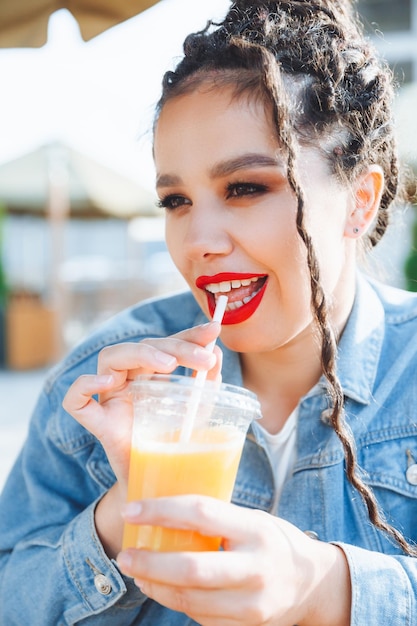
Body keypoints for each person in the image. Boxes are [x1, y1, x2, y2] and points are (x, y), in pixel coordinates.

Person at [1, 0, 417, 624]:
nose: (200, 240)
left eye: (246, 188)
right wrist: (123, 512)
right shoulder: (104, 383)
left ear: (359, 200)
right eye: (176, 200)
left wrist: (326, 588)